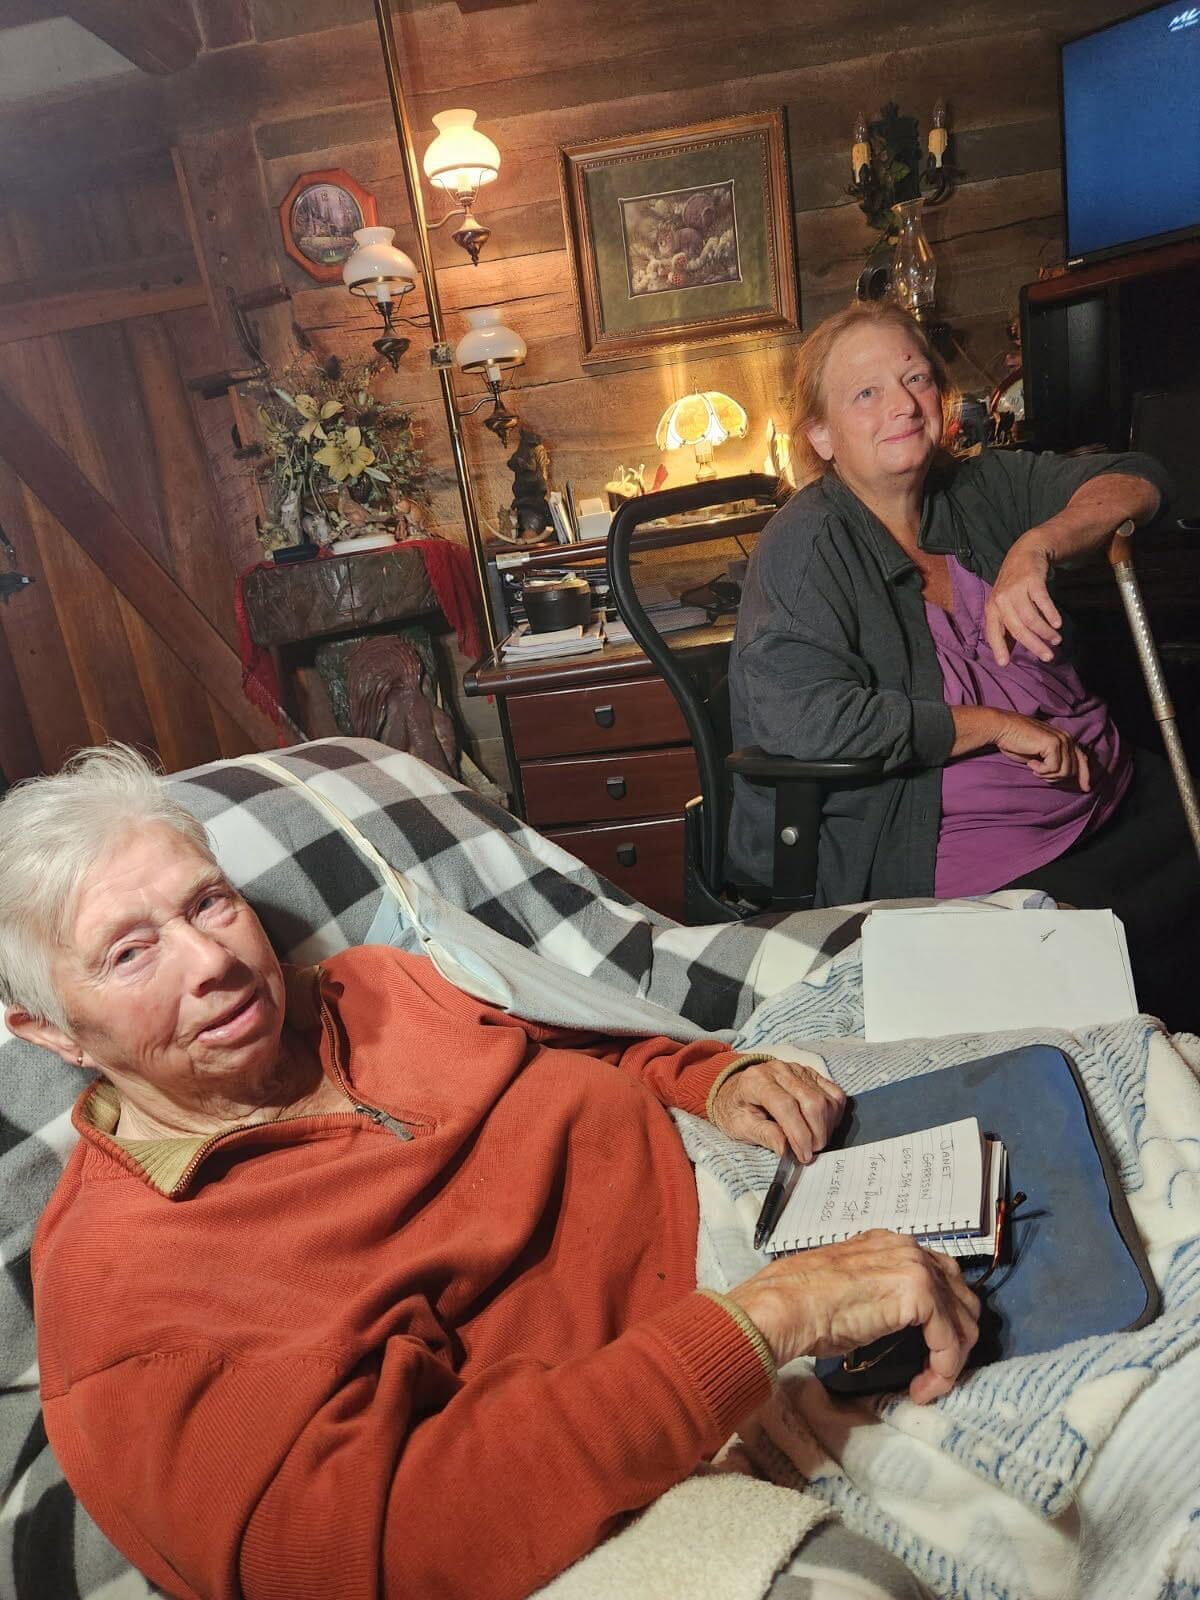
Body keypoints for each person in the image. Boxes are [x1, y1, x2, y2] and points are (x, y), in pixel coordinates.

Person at [3, 745, 979, 1600]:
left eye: (208, 901)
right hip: (690, 1390)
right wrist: (769, 1317)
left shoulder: (370, 986)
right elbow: (390, 1540)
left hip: (747, 1177)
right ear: (47, 1030)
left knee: (1048, 1072)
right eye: (131, 953)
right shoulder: (123, 1300)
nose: (210, 960)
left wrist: (704, 1073)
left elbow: (577, 1044)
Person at [727, 301, 1196, 1028]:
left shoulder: (975, 489)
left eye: (914, 378)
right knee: (1137, 1006)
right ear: (820, 434)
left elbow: (1142, 479)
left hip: (1116, 794)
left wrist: (1037, 543)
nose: (902, 405)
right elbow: (804, 720)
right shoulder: (807, 546)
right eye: (866, 392)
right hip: (979, 860)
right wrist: (993, 726)